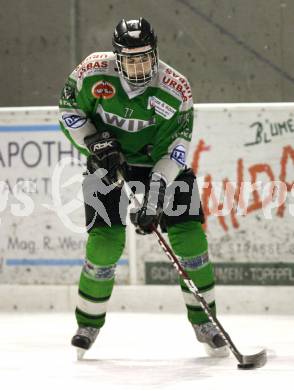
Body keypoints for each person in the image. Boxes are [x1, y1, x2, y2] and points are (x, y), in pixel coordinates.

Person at [58, 17, 229, 359]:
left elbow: (176, 151)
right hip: (106, 162)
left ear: (156, 53)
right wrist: (93, 143)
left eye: (145, 57)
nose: (138, 66)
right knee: (104, 245)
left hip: (160, 166)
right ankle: (87, 324)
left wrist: (153, 200)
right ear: (117, 57)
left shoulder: (175, 88)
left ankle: (205, 322)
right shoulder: (91, 72)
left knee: (190, 238)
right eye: (131, 58)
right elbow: (68, 111)